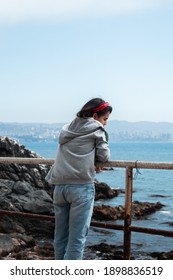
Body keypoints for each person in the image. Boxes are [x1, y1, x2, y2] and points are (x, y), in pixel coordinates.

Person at [45, 97, 112, 260]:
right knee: (76, 240)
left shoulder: (67, 129)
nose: (105, 123)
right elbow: (105, 156)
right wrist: (96, 159)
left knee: (60, 237)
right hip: (81, 187)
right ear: (95, 116)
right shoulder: (96, 129)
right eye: (105, 119)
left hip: (60, 187)